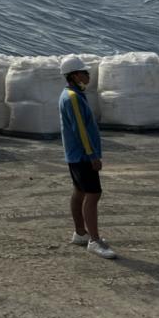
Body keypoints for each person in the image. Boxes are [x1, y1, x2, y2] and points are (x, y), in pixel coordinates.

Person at [59, 56, 117, 259]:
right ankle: (94, 240)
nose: (88, 75)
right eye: (84, 72)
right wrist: (92, 155)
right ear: (75, 75)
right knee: (93, 195)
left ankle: (80, 234)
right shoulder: (73, 98)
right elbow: (81, 130)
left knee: (80, 192)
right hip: (82, 155)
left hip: (75, 155)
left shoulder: (73, 94)